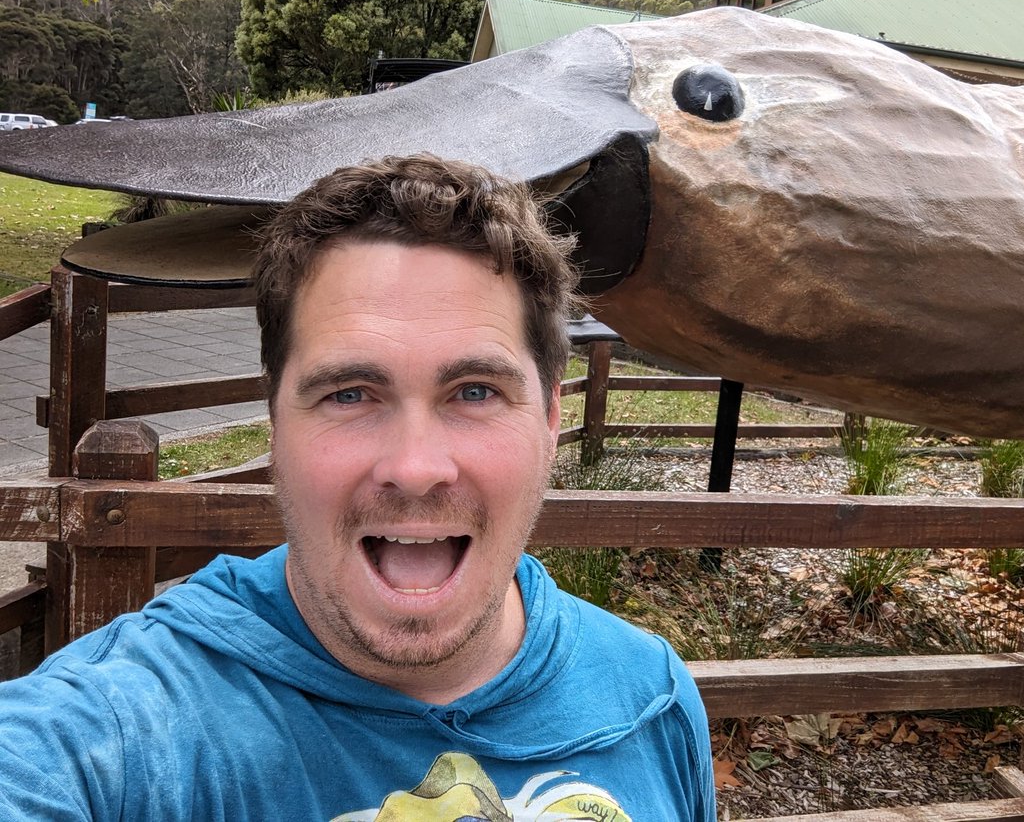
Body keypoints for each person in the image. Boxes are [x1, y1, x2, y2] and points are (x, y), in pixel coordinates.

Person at [0, 155, 717, 821]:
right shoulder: (130, 727)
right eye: (350, 394)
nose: (414, 467)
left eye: (474, 391)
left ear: (551, 417)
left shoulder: (650, 696)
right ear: (276, 422)